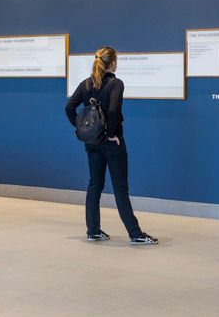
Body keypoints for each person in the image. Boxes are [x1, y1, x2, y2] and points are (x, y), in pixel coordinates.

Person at [65, 47, 158, 245]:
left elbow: (69, 108)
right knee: (120, 188)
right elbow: (114, 111)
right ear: (113, 63)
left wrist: (83, 128)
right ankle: (135, 234)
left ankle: (93, 231)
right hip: (111, 143)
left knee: (94, 185)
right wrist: (111, 134)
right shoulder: (116, 84)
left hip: (92, 143)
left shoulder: (86, 84)